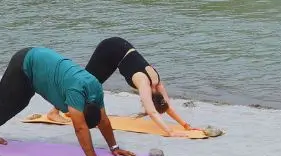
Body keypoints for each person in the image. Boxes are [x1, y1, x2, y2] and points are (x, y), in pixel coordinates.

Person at [0, 47, 135, 156]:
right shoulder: (76, 92)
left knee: (17, 104)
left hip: (37, 69)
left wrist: (114, 146)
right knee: (3, 104)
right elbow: (80, 127)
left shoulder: (96, 90)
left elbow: (104, 121)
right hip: (24, 63)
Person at [46, 37, 192, 136]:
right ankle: (53, 112)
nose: (142, 102)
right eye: (145, 102)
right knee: (84, 82)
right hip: (110, 49)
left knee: (94, 84)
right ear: (150, 99)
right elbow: (152, 112)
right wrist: (170, 132)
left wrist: (186, 125)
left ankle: (73, 107)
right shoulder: (144, 84)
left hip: (119, 52)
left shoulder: (157, 82)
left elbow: (167, 106)